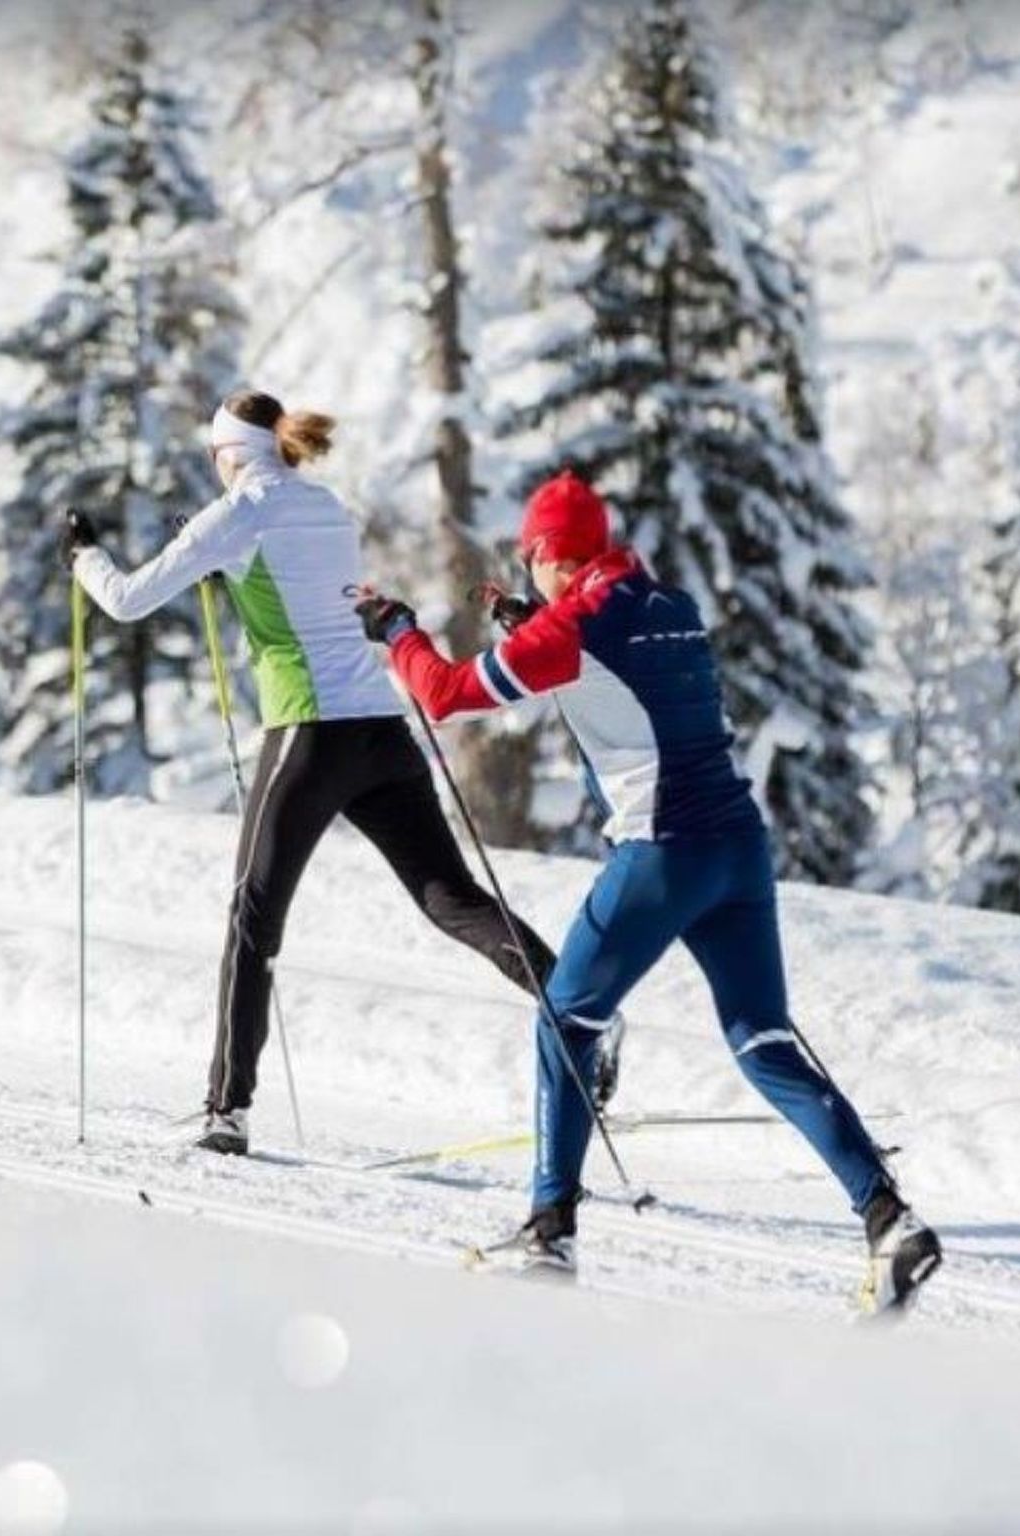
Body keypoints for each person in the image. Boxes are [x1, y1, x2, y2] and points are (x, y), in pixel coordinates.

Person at [353, 471, 942, 1314]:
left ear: (553, 553)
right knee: (763, 1039)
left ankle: (550, 1230)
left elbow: (443, 696)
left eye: (532, 560)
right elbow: (620, 677)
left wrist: (397, 630)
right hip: (739, 847)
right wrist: (534, 627)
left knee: (565, 1018)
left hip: (663, 851)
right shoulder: (668, 605)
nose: (529, 573)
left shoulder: (576, 624)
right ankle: (890, 1220)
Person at [64, 389, 577, 1156]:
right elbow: (288, 573)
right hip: (381, 728)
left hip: (309, 734)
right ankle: (577, 1009)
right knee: (450, 897)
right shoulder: (322, 502)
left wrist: (83, 556)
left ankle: (225, 1111)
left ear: (226, 455)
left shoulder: (237, 514)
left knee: (253, 920)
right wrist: (217, 551)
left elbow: (130, 601)